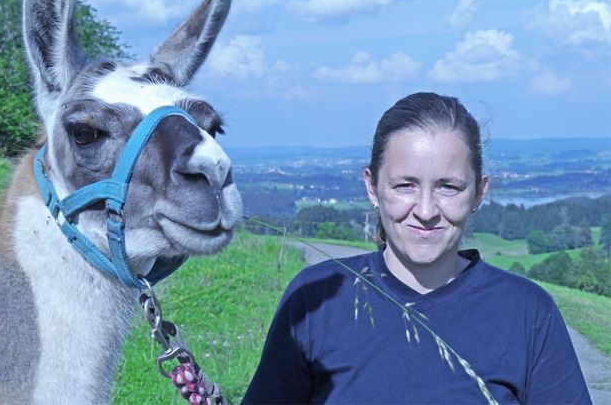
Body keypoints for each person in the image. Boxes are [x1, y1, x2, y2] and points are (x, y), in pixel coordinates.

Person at [242, 92, 591, 404]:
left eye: (448, 187)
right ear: (372, 186)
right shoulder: (317, 299)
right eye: (405, 185)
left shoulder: (526, 312)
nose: (425, 211)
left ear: (479, 193)